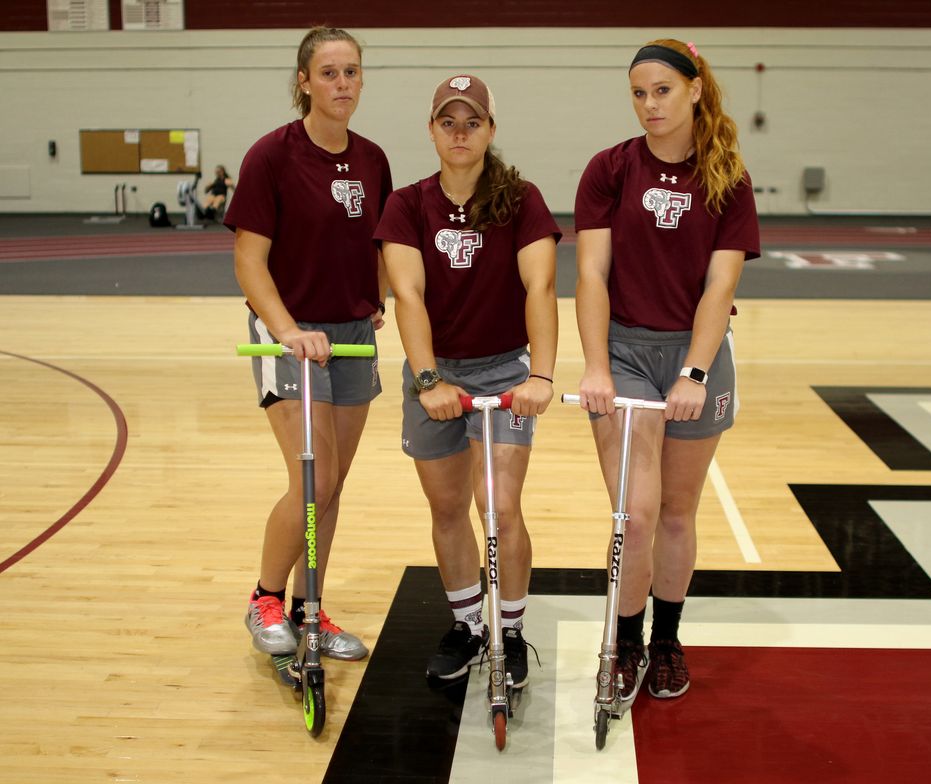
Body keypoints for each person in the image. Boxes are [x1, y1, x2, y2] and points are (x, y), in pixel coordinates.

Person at [574, 39, 760, 706]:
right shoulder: (610, 169)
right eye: (638, 93)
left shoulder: (728, 178)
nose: (649, 104)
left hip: (695, 357)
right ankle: (624, 642)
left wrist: (695, 373)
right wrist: (597, 366)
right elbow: (591, 275)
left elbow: (720, 287)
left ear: (694, 89)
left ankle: (666, 641)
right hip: (625, 352)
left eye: (662, 90)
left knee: (678, 514)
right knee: (635, 514)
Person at [376, 74, 560, 688]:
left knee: (500, 510)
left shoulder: (521, 199)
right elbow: (407, 295)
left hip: (503, 369)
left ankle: (510, 630)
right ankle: (468, 625)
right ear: (431, 130)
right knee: (449, 508)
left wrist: (540, 374)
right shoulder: (407, 205)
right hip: (436, 374)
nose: (460, 133)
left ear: (490, 130)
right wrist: (429, 379)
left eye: (472, 122)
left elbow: (540, 287)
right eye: (448, 122)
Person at [224, 26, 391, 663]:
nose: (342, 84)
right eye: (328, 73)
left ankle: (307, 609)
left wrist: (375, 299)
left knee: (334, 482)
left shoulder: (372, 159)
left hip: (350, 338)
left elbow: (378, 244)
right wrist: (288, 330)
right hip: (289, 334)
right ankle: (265, 598)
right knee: (313, 479)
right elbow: (249, 262)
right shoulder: (272, 156)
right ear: (304, 81)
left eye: (351, 72)